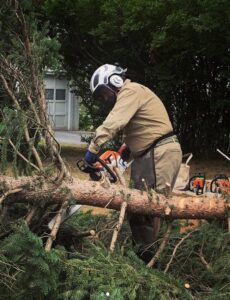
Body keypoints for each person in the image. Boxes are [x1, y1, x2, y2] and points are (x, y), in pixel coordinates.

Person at [84, 64, 182, 262]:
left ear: (115, 80)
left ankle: (147, 262)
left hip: (158, 153)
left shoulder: (130, 91)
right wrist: (119, 156)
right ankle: (144, 254)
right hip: (149, 154)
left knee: (147, 208)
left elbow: (113, 122)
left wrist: (92, 150)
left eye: (103, 93)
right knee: (137, 207)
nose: (105, 99)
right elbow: (139, 131)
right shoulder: (132, 96)